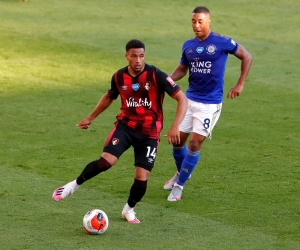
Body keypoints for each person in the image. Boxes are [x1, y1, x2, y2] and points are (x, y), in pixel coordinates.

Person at [52, 39, 188, 223]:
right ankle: (72, 186)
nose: (138, 60)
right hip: (125, 127)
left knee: (141, 178)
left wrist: (175, 126)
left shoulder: (157, 75)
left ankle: (129, 209)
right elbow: (110, 96)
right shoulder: (119, 77)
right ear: (127, 57)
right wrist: (90, 118)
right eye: (134, 56)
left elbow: (182, 99)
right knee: (105, 162)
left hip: (149, 134)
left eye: (141, 56)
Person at [164, 6, 252, 201]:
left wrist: (240, 84)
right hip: (189, 100)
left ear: (208, 22)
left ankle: (179, 185)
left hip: (209, 104)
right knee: (178, 142)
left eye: (200, 22)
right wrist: (168, 80)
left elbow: (247, 56)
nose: (196, 25)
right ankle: (181, 173)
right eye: (193, 22)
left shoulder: (222, 42)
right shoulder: (188, 45)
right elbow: (182, 70)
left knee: (195, 143)